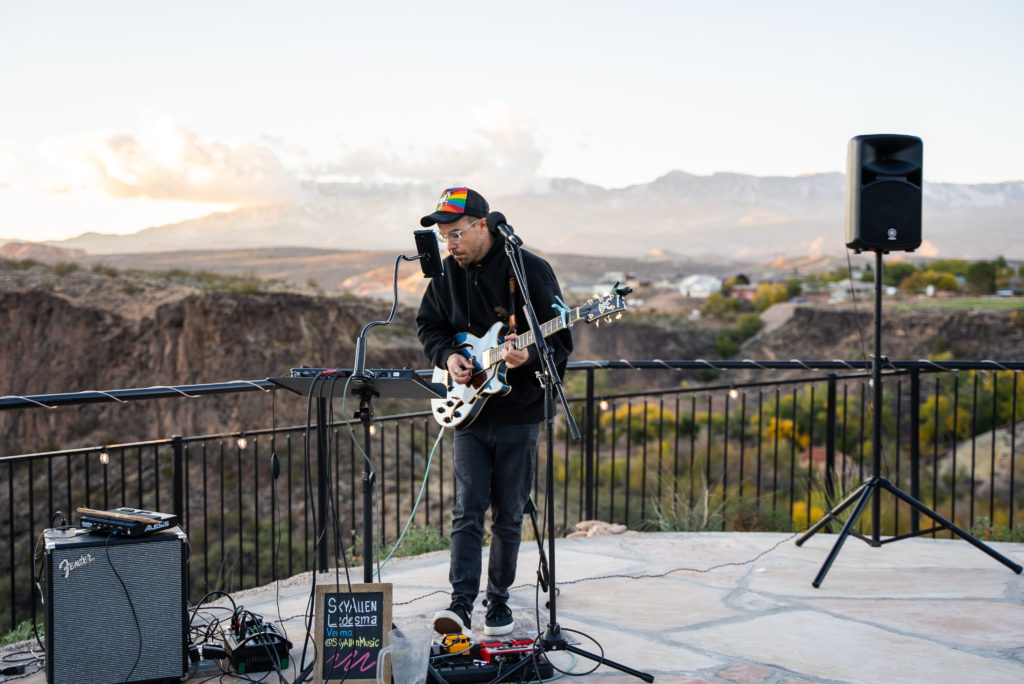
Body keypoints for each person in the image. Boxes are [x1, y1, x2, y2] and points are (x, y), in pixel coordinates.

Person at [416, 187, 573, 637]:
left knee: (507, 514)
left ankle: (498, 602)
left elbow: (562, 340)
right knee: (467, 511)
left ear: (482, 225)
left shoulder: (529, 270)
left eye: (457, 234)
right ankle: (460, 604)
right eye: (445, 237)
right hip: (468, 413)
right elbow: (430, 325)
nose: (451, 244)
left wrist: (532, 358)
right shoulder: (447, 273)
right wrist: (448, 356)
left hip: (519, 414)